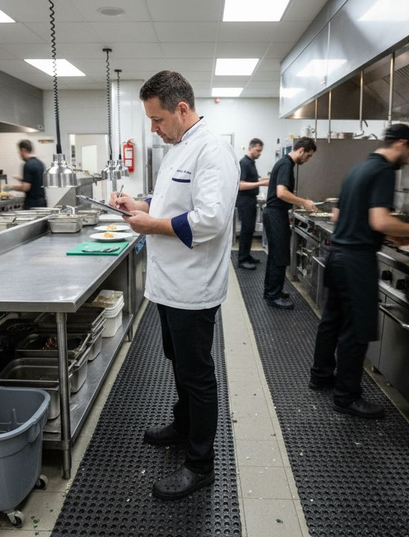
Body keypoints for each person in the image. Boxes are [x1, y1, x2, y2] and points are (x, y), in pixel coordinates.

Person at [111, 70, 238, 501]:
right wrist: (140, 206)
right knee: (179, 364)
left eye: (157, 119)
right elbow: (172, 206)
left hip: (192, 288)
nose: (153, 128)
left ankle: (200, 465)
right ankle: (182, 427)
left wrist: (150, 224)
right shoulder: (179, 148)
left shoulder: (212, 150)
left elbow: (211, 220)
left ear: (181, 109)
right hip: (168, 286)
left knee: (197, 375)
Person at [309, 124, 409, 419]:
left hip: (337, 255)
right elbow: (379, 221)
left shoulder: (359, 168)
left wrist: (393, 235)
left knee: (332, 321)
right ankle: (346, 398)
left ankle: (321, 376)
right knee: (357, 329)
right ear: (401, 144)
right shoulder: (384, 172)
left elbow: (342, 214)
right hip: (356, 261)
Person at [262, 138, 318, 309]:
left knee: (275, 256)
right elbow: (281, 193)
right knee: (280, 256)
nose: (307, 160)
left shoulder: (284, 163)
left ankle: (271, 291)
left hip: (273, 213)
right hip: (275, 214)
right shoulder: (287, 164)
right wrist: (304, 202)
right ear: (300, 150)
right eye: (308, 156)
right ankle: (273, 296)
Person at [236, 138, 270, 271]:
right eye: (258, 150)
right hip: (245, 200)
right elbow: (241, 185)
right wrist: (261, 183)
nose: (260, 153)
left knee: (250, 230)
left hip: (251, 200)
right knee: (246, 230)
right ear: (250, 148)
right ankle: (242, 259)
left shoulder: (251, 163)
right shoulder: (244, 163)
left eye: (261, 151)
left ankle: (247, 255)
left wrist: (263, 179)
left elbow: (252, 179)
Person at [8, 139, 47, 209]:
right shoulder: (40, 163)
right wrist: (22, 180)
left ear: (23, 150)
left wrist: (10, 187)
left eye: (19, 152)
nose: (19, 154)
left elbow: (25, 187)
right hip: (42, 202)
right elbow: (36, 181)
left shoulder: (28, 165)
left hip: (32, 203)